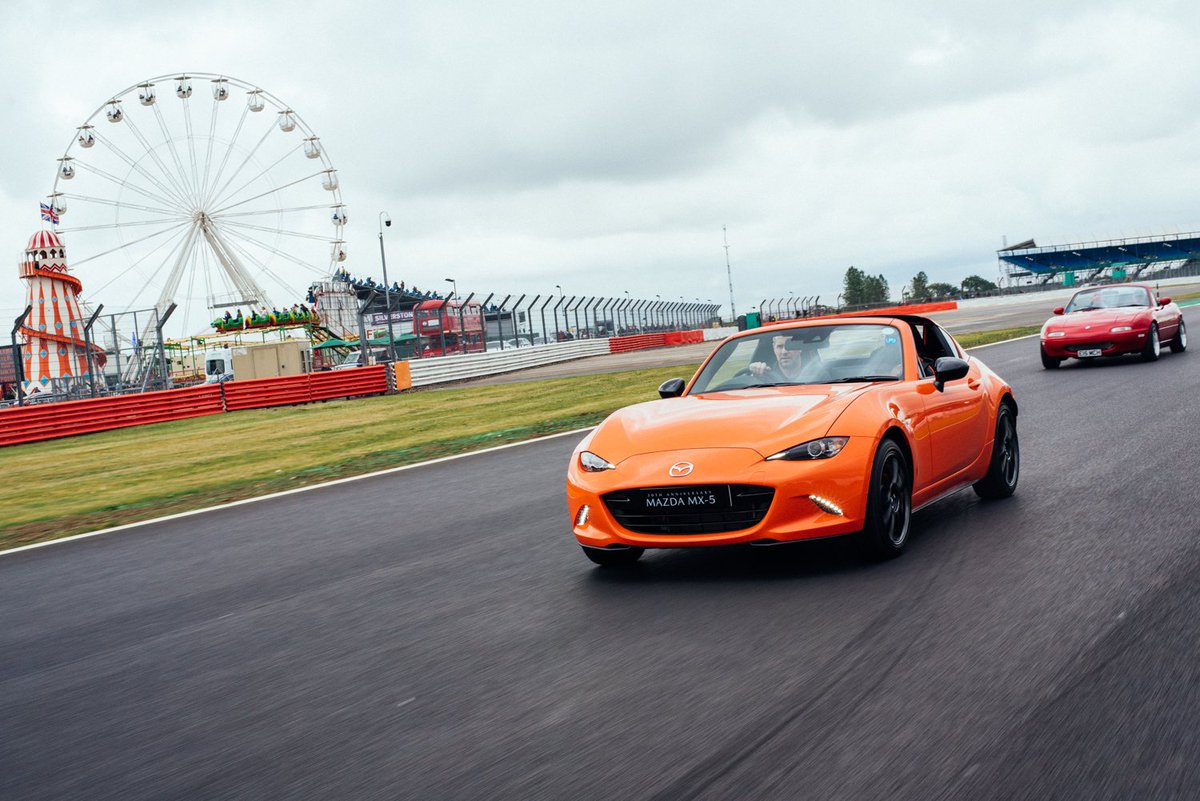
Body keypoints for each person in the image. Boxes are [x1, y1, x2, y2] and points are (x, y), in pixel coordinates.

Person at [749, 334, 824, 382]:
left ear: (800, 348)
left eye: (789, 346)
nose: (784, 352)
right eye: (779, 347)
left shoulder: (819, 375)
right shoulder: (764, 376)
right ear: (774, 348)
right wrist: (754, 375)